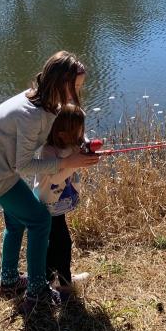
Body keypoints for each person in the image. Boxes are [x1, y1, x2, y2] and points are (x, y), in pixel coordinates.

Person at [0, 51, 101, 312]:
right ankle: (37, 292)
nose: (75, 95)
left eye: (79, 88)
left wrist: (81, 143)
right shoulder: (30, 115)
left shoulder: (46, 102)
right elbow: (25, 166)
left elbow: (57, 128)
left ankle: (9, 283)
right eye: (73, 87)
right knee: (40, 220)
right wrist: (67, 162)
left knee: (16, 222)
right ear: (58, 83)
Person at [32, 103, 101, 300]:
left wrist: (89, 149)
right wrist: (75, 163)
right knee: (62, 243)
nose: (83, 135)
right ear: (62, 133)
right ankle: (64, 285)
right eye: (79, 131)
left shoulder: (72, 143)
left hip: (57, 207)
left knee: (54, 244)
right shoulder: (48, 152)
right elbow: (54, 178)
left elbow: (82, 144)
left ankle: (52, 278)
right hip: (47, 207)